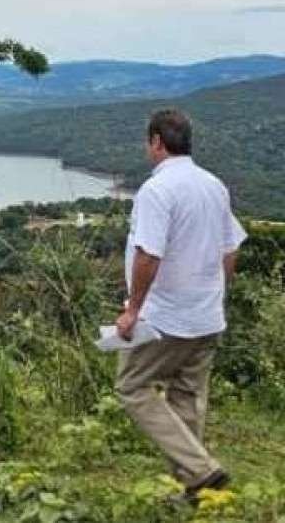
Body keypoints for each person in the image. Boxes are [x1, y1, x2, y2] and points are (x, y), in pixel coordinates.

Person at [113, 107, 247, 501]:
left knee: (131, 387)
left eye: (147, 142)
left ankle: (202, 468)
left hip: (165, 317)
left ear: (156, 141)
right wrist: (215, 292)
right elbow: (230, 248)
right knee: (186, 395)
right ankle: (193, 490)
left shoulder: (157, 190)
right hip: (206, 315)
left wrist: (133, 310)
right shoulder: (213, 185)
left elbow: (148, 255)